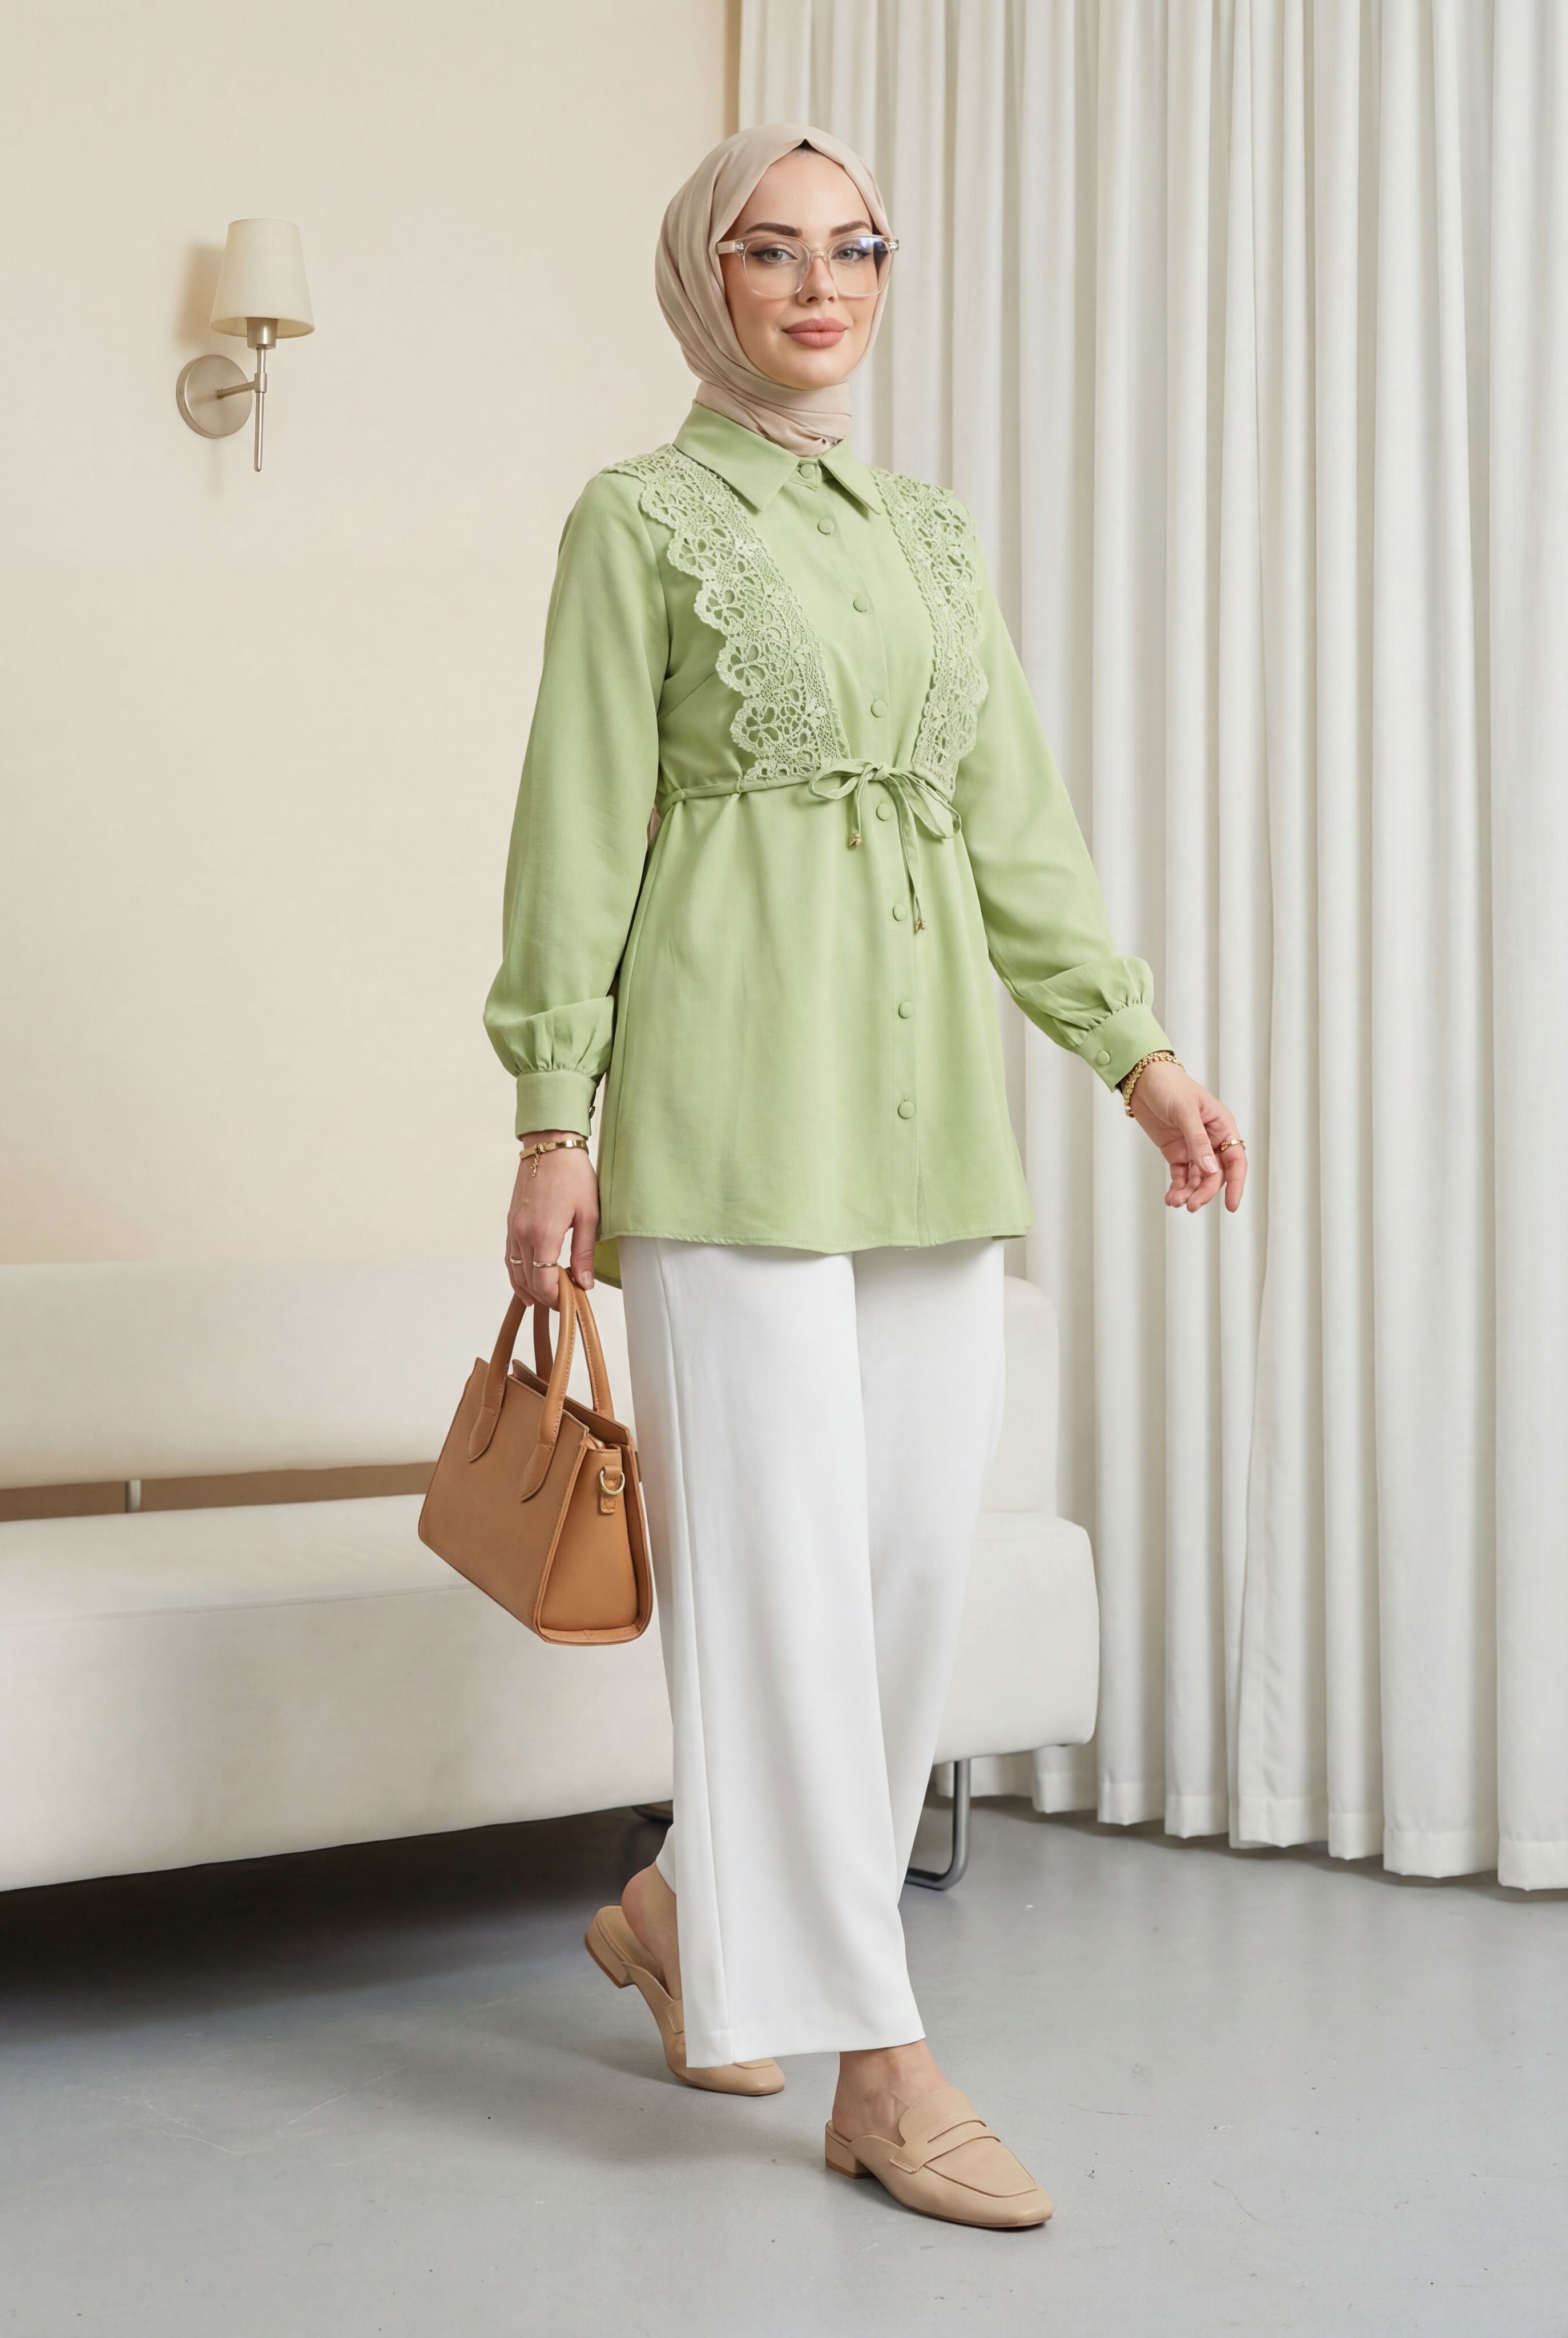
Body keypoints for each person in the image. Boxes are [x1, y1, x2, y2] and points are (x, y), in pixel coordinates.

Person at [483, 123, 1246, 2231]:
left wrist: (1135, 1052)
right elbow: (573, 825)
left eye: (856, 248)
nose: (820, 285)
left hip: (925, 1115)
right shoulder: (636, 518)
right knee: (778, 1593)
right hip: (725, 1104)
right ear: (701, 281)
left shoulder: (929, 534)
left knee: (906, 1573)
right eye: (770, 250)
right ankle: (878, 2066)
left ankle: (680, 1911)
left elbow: (1013, 820)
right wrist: (551, 1116)